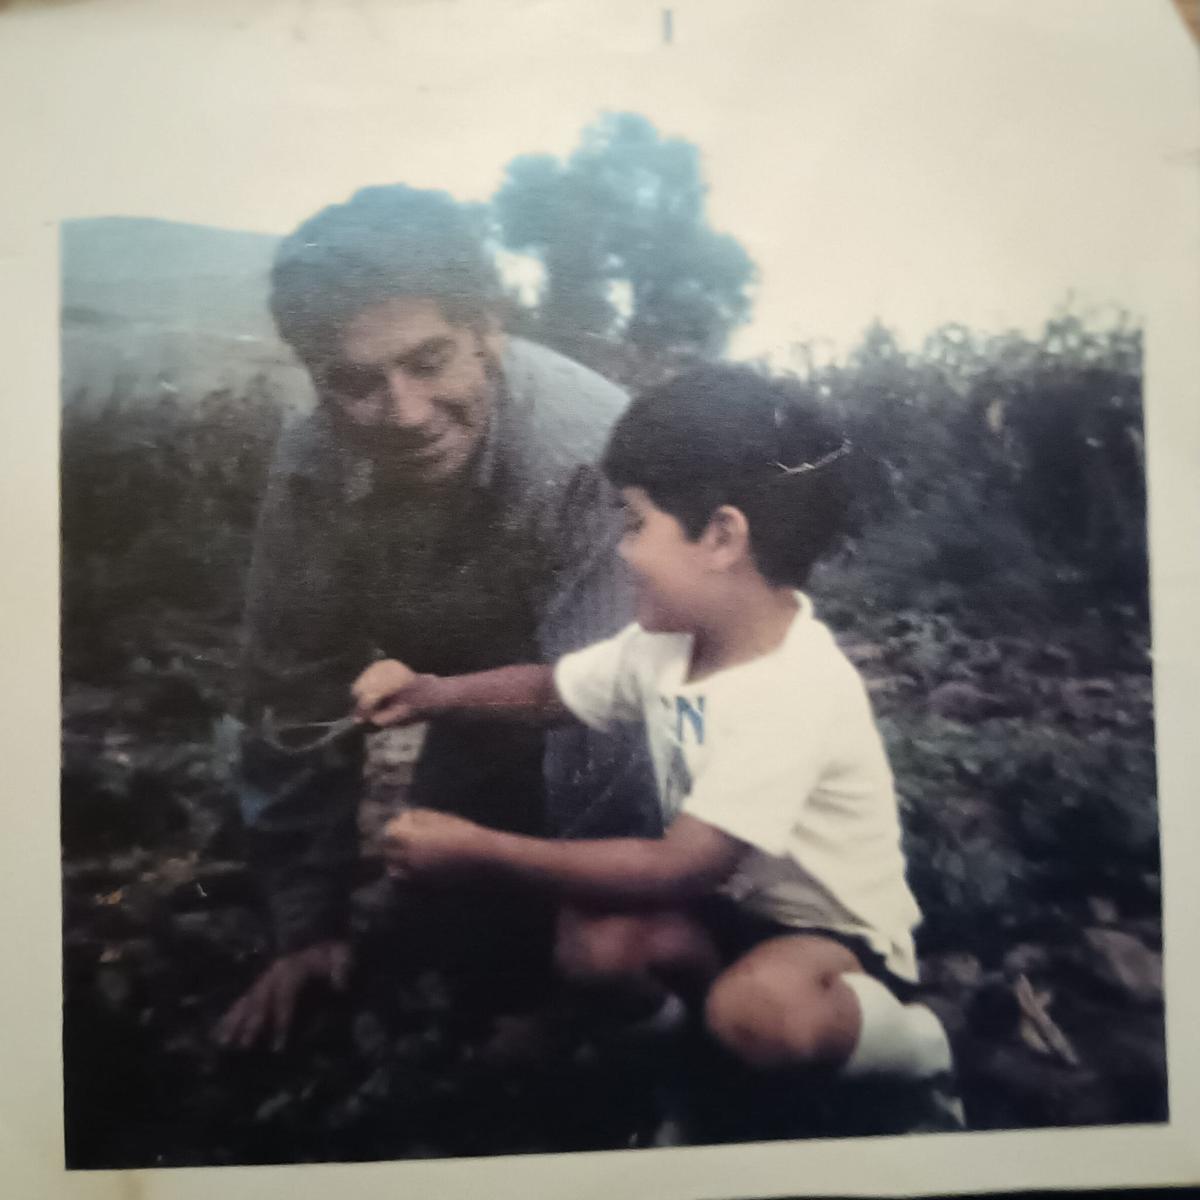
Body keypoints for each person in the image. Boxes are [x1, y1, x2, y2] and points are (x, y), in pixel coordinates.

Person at [351, 365, 954, 1094]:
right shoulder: (670, 642)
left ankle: (920, 1054)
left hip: (833, 943)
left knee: (762, 1012)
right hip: (726, 910)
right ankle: (692, 1069)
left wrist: (482, 850)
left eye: (635, 523)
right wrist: (435, 693)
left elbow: (680, 866)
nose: (621, 550)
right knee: (592, 943)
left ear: (723, 537)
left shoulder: (793, 690)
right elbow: (550, 691)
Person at [216, 185, 657, 1051]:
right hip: (480, 718)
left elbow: (612, 715)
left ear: (487, 328)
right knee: (445, 946)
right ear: (315, 376)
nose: (406, 414)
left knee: (599, 970)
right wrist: (307, 928)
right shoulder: (310, 468)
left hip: (658, 727)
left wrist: (585, 920)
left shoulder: (588, 453)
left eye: (429, 361)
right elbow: (293, 689)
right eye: (356, 382)